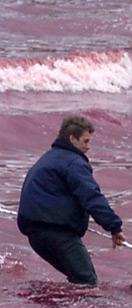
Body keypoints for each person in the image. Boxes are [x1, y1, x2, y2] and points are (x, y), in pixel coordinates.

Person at [17, 115, 125, 286]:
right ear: (72, 138)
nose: (89, 146)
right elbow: (92, 197)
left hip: (35, 236)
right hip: (57, 234)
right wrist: (114, 227)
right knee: (88, 282)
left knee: (78, 280)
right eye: (85, 141)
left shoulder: (49, 158)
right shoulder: (73, 163)